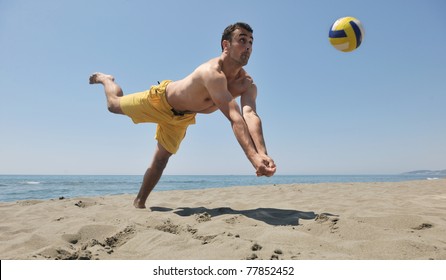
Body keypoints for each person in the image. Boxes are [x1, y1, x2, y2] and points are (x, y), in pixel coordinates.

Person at [89, 22, 276, 208]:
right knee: (113, 105)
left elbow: (249, 114)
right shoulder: (212, 72)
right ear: (225, 45)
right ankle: (107, 80)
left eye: (251, 42)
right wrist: (253, 157)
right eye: (242, 40)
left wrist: (262, 154)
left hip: (182, 118)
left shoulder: (247, 84)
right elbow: (235, 116)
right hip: (160, 101)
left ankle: (139, 203)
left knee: (161, 159)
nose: (248, 47)